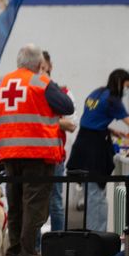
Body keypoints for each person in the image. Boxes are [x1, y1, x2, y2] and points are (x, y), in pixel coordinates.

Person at [0, 44, 74, 256]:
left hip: (10, 157)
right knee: (33, 208)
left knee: (14, 207)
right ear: (38, 65)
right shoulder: (41, 83)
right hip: (37, 156)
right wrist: (46, 78)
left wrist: (0, 154)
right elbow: (68, 106)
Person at [67, 69, 129, 231]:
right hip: (94, 150)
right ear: (119, 82)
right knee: (96, 196)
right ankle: (98, 236)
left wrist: (110, 131)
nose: (126, 90)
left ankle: (93, 232)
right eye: (127, 86)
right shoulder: (112, 100)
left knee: (92, 194)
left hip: (83, 144)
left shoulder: (96, 93)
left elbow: (90, 121)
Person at [42, 51, 77, 234]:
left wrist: (43, 122)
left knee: (55, 201)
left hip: (56, 155)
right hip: (34, 156)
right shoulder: (31, 91)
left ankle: (57, 242)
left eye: (43, 67)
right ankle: (35, 249)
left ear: (50, 66)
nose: (40, 71)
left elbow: (71, 124)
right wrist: (56, 123)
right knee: (34, 205)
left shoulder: (63, 93)